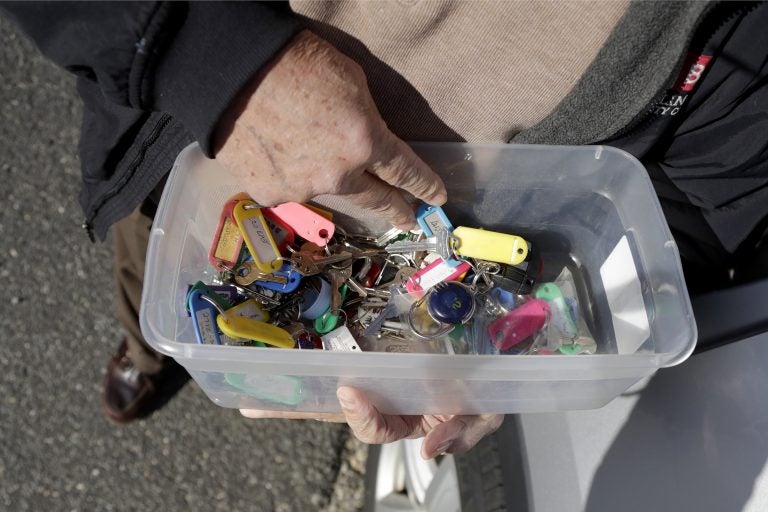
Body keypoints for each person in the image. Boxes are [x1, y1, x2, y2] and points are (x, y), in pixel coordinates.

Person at [3, 1, 767, 461]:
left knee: (229, 301)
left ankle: (190, 341)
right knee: (169, 270)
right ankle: (151, 348)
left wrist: (523, 362)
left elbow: (691, 227)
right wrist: (208, 59)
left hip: (489, 226)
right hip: (227, 135)